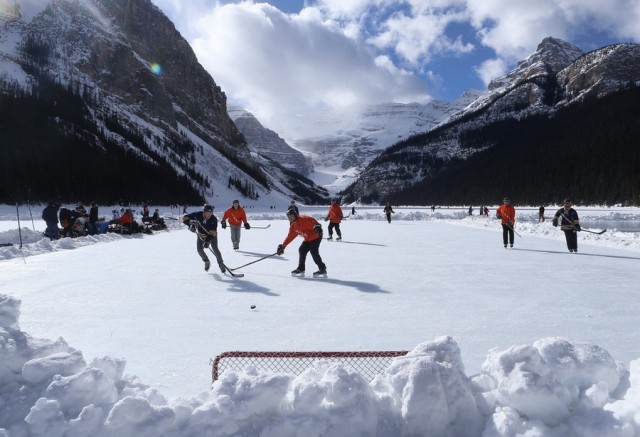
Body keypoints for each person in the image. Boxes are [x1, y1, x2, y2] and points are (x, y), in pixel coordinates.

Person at [276, 208, 327, 277]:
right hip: (308, 238)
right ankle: (301, 268)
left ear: (295, 215)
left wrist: (317, 226)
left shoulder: (303, 219)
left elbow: (313, 221)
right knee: (302, 250)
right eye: (288, 217)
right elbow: (289, 237)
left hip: (316, 236)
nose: (289, 218)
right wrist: (283, 246)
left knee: (313, 251)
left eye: (291, 216)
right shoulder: (293, 226)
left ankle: (322, 269)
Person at [183, 204, 225, 272]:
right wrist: (190, 224)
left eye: (210, 212)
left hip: (211, 235)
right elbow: (185, 217)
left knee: (215, 248)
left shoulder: (213, 219)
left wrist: (207, 241)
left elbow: (213, 232)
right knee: (199, 250)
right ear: (204, 212)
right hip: (201, 235)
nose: (209, 214)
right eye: (207, 212)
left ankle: (221, 264)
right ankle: (206, 261)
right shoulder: (198, 214)